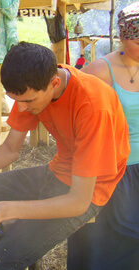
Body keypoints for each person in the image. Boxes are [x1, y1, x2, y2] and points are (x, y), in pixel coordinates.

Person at [0, 41, 130, 270]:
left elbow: (78, 202)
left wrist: (3, 210)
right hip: (57, 171)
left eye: (28, 101)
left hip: (89, 190)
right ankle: (2, 239)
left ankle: (5, 246)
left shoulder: (94, 106)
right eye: (17, 101)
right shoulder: (31, 84)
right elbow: (10, 148)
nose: (23, 108)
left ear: (54, 83)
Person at [67, 3, 139, 269]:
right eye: (138, 40)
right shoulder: (99, 71)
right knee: (111, 242)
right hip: (117, 171)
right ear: (122, 37)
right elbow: (72, 118)